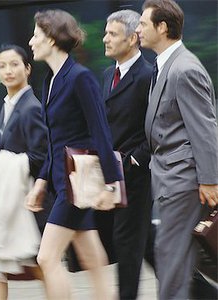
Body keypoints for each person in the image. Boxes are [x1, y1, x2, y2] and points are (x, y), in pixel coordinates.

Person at [26, 9, 123, 300]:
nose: (31, 42)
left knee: (47, 258)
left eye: (36, 36)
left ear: (53, 39)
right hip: (61, 182)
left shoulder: (80, 78)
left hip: (77, 183)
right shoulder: (49, 80)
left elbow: (101, 131)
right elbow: (55, 140)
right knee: (93, 259)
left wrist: (112, 183)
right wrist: (42, 181)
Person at [136, 0, 218, 299]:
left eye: (143, 24)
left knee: (171, 262)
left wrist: (210, 180)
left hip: (183, 183)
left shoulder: (184, 69)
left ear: (163, 27)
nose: (138, 29)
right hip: (171, 181)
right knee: (174, 261)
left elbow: (205, 129)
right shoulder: (166, 66)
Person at [0, 44, 50, 300]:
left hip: (27, 201)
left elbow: (40, 157)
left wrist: (0, 164)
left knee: (40, 266)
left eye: (14, 65)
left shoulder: (30, 107)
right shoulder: (9, 104)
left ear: (27, 69)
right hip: (10, 200)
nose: (8, 71)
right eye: (2, 66)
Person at [101, 10, 153, 300]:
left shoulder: (148, 76)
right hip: (112, 174)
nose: (105, 39)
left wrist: (135, 159)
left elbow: (158, 126)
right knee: (145, 244)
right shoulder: (109, 74)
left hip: (135, 175)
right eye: (106, 33)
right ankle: (202, 290)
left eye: (112, 34)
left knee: (127, 244)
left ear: (133, 39)